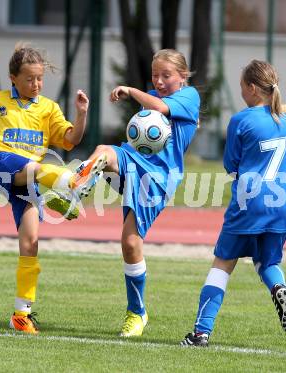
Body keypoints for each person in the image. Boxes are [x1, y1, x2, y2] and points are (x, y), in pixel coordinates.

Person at [0, 43, 107, 334]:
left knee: (31, 243)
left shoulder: (49, 108)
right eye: (29, 79)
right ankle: (71, 182)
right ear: (13, 78)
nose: (36, 84)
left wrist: (82, 114)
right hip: (2, 163)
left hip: (29, 180)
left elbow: (71, 140)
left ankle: (21, 314)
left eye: (40, 78)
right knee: (37, 169)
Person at [76, 49, 200, 337]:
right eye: (155, 75)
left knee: (130, 243)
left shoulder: (189, 96)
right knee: (104, 152)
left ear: (183, 77)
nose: (158, 80)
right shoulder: (152, 98)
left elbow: (161, 109)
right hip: (133, 164)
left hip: (156, 179)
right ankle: (72, 193)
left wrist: (131, 91)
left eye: (166, 75)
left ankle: (137, 313)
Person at [181, 59, 286, 347]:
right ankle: (278, 287)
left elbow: (231, 165)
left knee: (223, 263)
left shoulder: (242, 120)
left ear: (251, 88)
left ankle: (200, 333)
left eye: (241, 88)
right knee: (267, 260)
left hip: (251, 202)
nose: (241, 94)